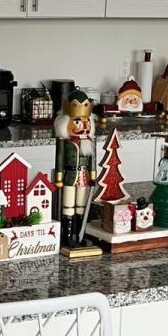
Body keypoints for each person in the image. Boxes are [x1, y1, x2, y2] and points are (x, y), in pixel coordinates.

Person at [53, 90, 97, 248]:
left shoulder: (90, 141)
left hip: (84, 177)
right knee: (68, 205)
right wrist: (58, 178)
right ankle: (67, 236)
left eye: (87, 121)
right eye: (78, 121)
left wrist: (93, 176)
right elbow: (59, 160)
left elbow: (92, 160)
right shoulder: (64, 142)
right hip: (70, 176)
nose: (84, 126)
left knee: (81, 206)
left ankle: (80, 234)